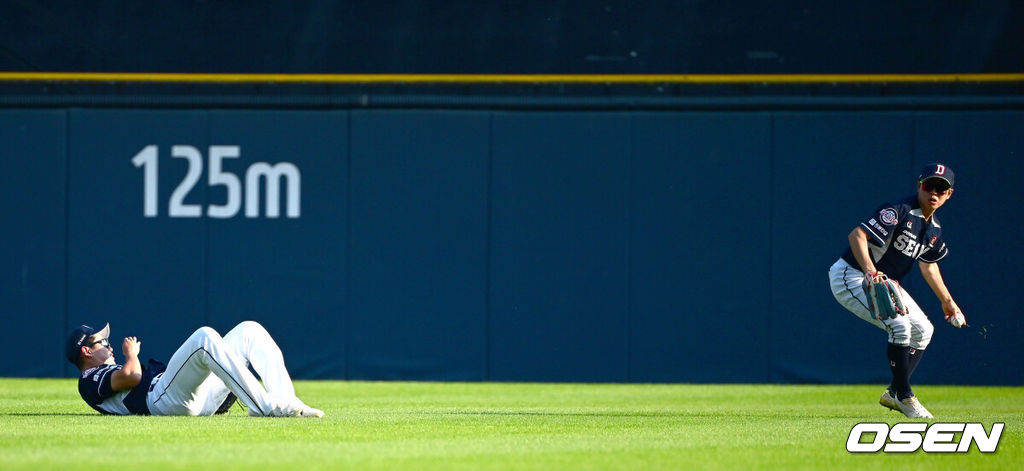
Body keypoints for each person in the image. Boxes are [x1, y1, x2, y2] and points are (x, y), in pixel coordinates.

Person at [829, 163, 965, 419]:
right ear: (919, 186)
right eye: (929, 186)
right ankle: (904, 395)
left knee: (924, 330)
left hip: (885, 282)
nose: (934, 192)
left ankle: (894, 392)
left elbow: (929, 265)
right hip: (852, 275)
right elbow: (857, 234)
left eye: (941, 188)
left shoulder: (934, 229)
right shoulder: (899, 211)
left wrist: (948, 301)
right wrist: (870, 270)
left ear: (949, 194)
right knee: (900, 326)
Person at [66, 320, 324, 417]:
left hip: (184, 397)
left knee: (249, 331)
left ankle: (287, 401)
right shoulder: (88, 378)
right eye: (102, 341)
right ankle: (266, 407)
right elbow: (132, 376)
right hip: (160, 401)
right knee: (204, 337)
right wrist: (131, 354)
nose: (108, 344)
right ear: (86, 351)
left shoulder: (99, 371)